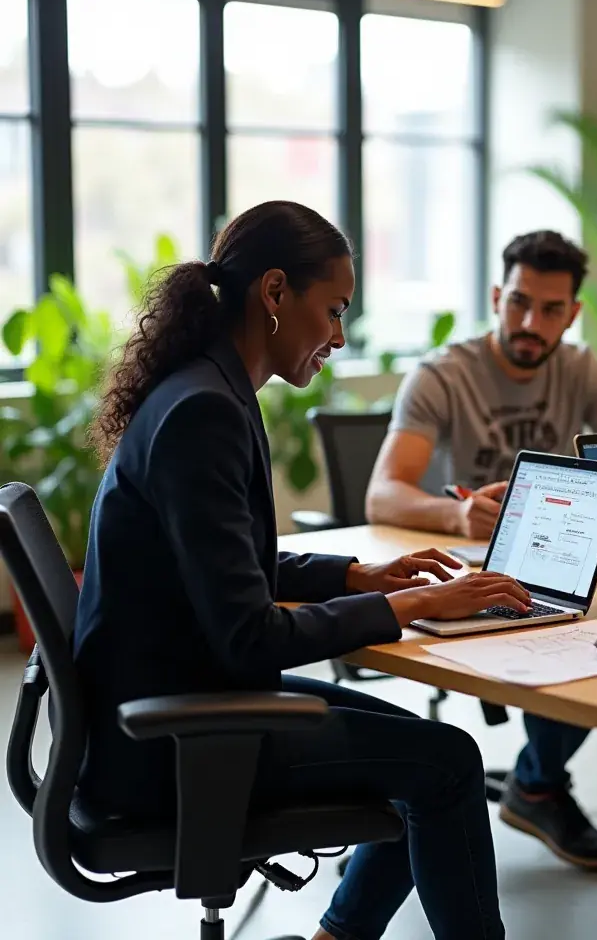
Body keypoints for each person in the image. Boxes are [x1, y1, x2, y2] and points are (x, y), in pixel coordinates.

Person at [75, 200, 533, 940]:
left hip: (174, 705)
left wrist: (356, 575)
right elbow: (250, 638)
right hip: (174, 746)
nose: (340, 337)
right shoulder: (203, 412)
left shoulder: (209, 389)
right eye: (335, 310)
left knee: (429, 753)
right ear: (275, 292)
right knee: (445, 765)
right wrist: (420, 605)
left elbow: (229, 564)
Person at [366, 230, 597, 870]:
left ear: (572, 313)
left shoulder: (583, 369)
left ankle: (536, 781)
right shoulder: (443, 374)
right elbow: (382, 494)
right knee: (578, 632)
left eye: (550, 310)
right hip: (467, 569)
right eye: (518, 303)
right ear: (496, 297)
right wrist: (456, 513)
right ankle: (539, 785)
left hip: (553, 558)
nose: (529, 323)